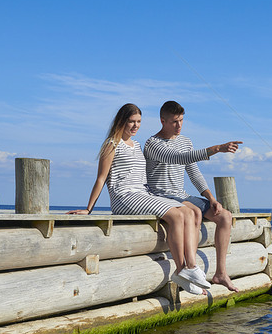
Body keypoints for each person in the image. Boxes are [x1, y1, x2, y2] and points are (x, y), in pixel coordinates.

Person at [67, 103, 212, 295]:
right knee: (176, 217)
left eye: (139, 122)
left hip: (143, 193)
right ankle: (181, 270)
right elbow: (101, 178)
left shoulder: (136, 145)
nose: (135, 126)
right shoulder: (111, 145)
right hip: (124, 196)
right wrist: (88, 209)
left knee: (187, 212)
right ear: (122, 121)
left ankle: (188, 269)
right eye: (131, 122)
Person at [144, 100, 243, 292]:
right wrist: (215, 149)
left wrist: (212, 198)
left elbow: (193, 171)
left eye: (181, 120)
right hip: (162, 196)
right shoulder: (152, 144)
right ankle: (189, 269)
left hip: (182, 195)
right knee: (195, 211)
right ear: (162, 121)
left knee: (225, 216)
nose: (179, 125)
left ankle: (221, 273)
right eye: (174, 121)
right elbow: (179, 158)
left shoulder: (185, 141)